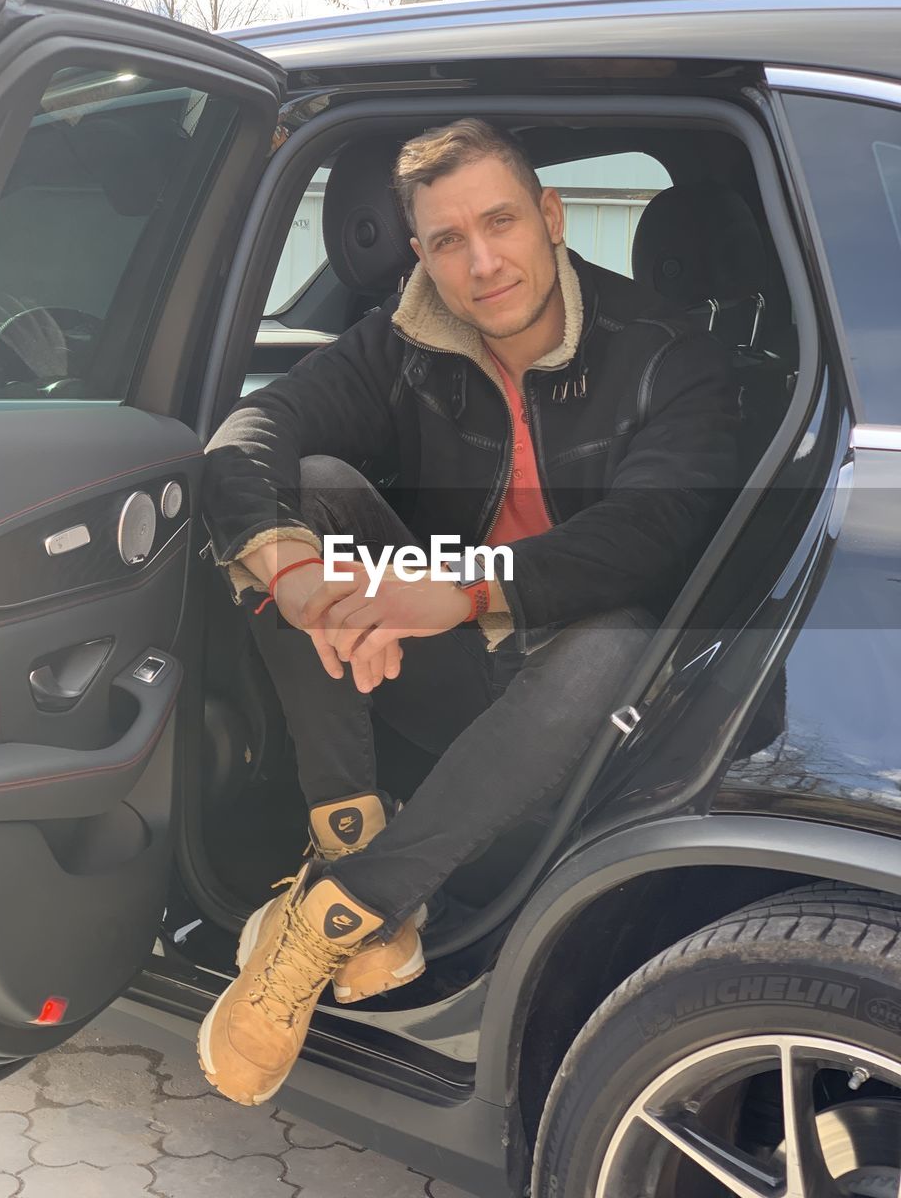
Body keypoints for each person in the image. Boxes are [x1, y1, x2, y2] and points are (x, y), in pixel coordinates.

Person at [196, 118, 739, 1106]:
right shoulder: (405, 340)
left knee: (618, 627)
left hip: (592, 699)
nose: (482, 261)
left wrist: (462, 585)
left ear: (551, 215)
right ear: (421, 256)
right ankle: (349, 831)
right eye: (448, 240)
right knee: (308, 488)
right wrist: (295, 577)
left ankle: (342, 909)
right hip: (443, 669)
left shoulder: (668, 352)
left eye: (500, 222)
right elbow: (249, 436)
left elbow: (653, 531)